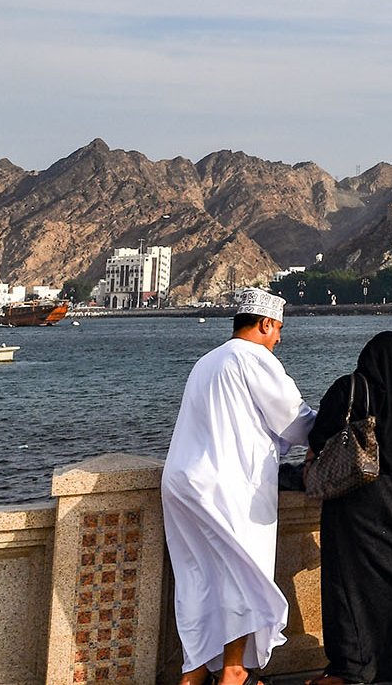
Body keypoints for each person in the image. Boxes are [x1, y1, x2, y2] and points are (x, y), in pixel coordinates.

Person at [161, 289, 317, 685]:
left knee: (196, 577)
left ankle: (193, 673)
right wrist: (334, 422)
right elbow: (295, 422)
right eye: (278, 329)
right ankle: (232, 671)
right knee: (240, 576)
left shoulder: (206, 361)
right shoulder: (254, 358)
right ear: (265, 324)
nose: (279, 339)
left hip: (182, 482)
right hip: (227, 486)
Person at [306, 332, 392, 684]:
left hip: (353, 494)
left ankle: (351, 667)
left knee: (349, 580)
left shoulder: (349, 387)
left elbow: (320, 434)